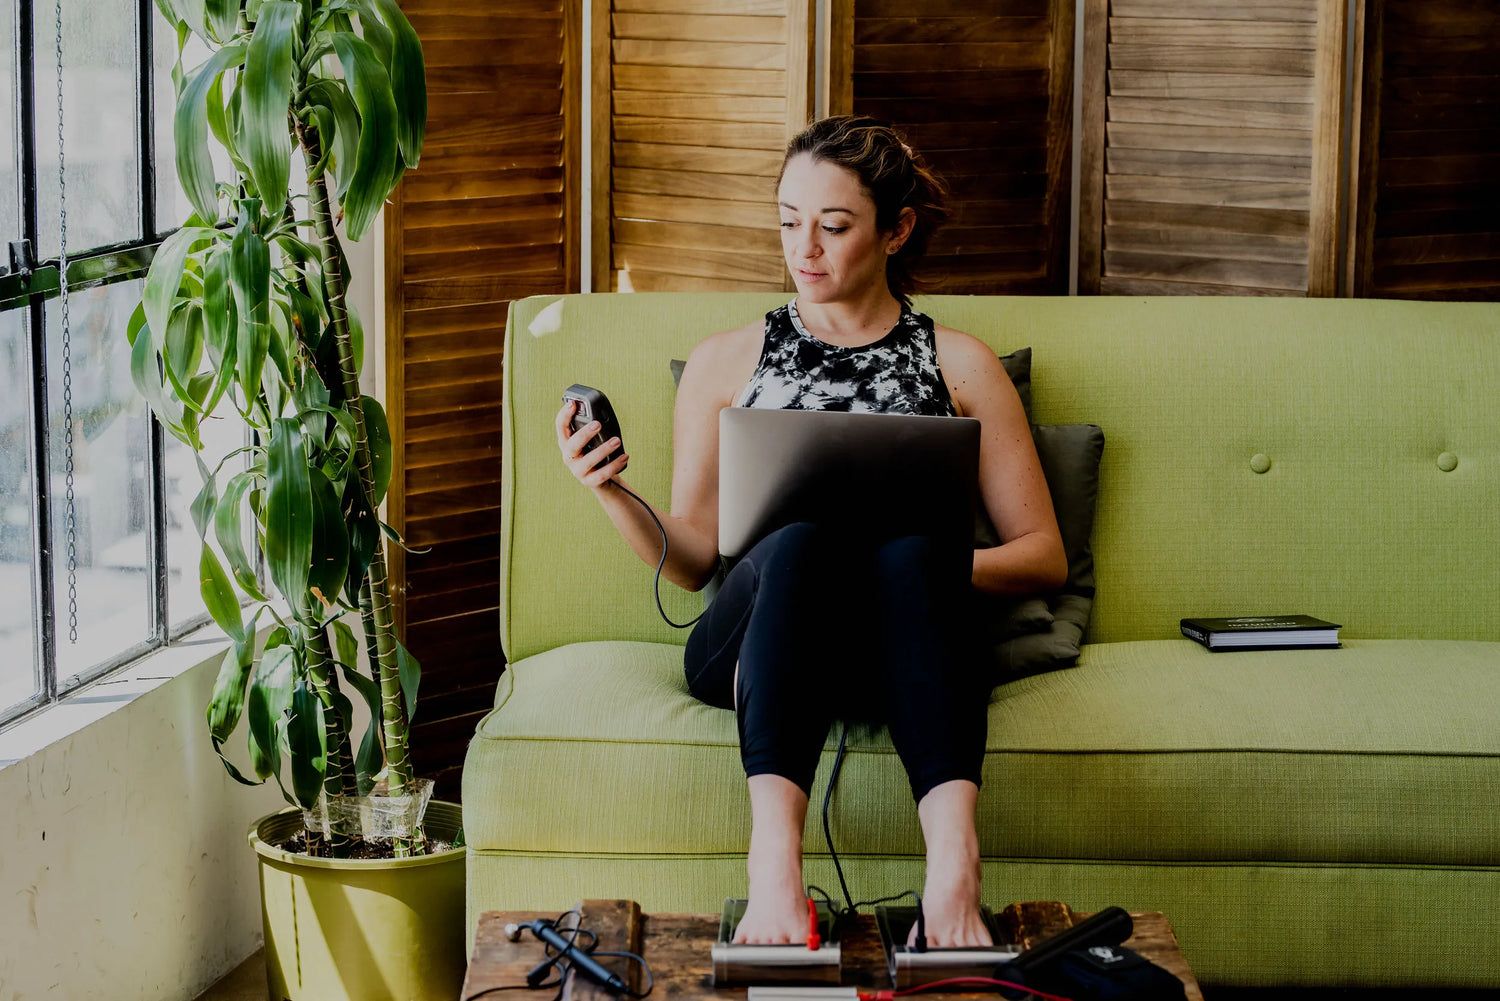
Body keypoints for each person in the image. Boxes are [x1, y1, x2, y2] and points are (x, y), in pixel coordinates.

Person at [555, 115, 1066, 949]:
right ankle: (775, 873)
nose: (806, 249)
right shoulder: (728, 360)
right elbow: (690, 562)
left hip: (906, 648)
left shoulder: (960, 364)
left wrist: (933, 568)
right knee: (799, 543)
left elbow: (1041, 554)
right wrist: (610, 489)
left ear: (896, 230)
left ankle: (955, 872)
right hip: (765, 645)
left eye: (833, 227)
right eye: (790, 221)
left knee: (908, 554)